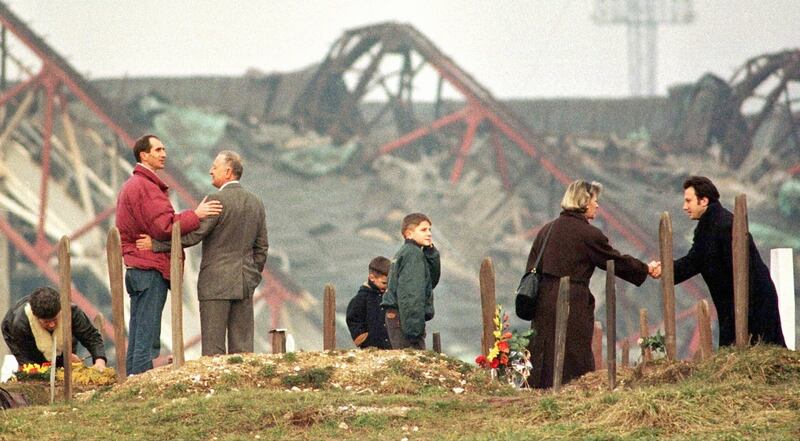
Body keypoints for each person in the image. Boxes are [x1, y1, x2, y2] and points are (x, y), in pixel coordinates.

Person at [525, 180, 660, 389]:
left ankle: (540, 395)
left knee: (544, 351)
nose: (597, 206)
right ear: (584, 201)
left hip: (544, 300)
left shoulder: (546, 230)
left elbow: (532, 267)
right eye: (595, 201)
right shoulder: (589, 234)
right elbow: (615, 261)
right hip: (572, 301)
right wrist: (645, 269)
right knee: (574, 354)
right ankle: (573, 396)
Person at [138, 150, 268, 356]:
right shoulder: (256, 203)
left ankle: (218, 388)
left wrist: (156, 244)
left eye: (214, 168)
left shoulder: (215, 201)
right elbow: (261, 248)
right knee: (243, 350)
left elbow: (193, 236)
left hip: (215, 282)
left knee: (213, 349)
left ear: (228, 172)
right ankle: (242, 387)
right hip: (244, 282)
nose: (210, 171)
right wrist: (252, 275)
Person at [116, 134, 222, 374]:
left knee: (139, 328)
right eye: (158, 150)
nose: (163, 154)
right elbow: (165, 226)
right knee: (147, 330)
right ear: (144, 155)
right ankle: (140, 380)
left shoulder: (135, 185)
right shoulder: (146, 187)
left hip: (138, 267)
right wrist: (197, 214)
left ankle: (132, 377)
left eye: (164, 149)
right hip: (149, 268)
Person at [669, 176, 785, 347]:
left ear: (704, 200)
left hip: (751, 302)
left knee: (758, 351)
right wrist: (665, 270)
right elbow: (696, 260)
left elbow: (696, 260)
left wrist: (663, 270)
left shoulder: (722, 225)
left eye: (688, 201)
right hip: (740, 303)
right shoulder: (712, 224)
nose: (684, 207)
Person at [2, 286, 106, 370]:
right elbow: (28, 358)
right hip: (19, 337)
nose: (52, 325)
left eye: (54, 319)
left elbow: (91, 336)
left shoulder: (72, 312)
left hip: (63, 339)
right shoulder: (20, 325)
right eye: (46, 322)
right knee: (32, 370)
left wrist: (99, 361)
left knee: (68, 365)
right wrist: (61, 360)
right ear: (37, 317)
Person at [380, 213, 441, 350]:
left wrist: (431, 253)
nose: (429, 234)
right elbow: (411, 294)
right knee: (413, 365)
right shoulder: (413, 255)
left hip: (400, 319)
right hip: (405, 322)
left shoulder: (408, 252)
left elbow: (428, 284)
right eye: (423, 230)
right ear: (409, 234)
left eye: (430, 229)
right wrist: (414, 331)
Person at [346, 256, 392, 349]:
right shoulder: (361, 298)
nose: (387, 286)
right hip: (371, 346)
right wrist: (362, 338)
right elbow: (353, 319)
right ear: (372, 278)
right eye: (384, 283)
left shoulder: (389, 295)